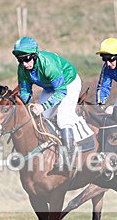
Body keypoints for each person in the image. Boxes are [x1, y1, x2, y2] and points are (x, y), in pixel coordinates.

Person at [13, 36, 84, 171]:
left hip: (68, 83)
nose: (24, 64)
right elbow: (25, 91)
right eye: (20, 60)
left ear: (34, 56)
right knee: (41, 119)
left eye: (26, 59)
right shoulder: (22, 69)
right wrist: (28, 104)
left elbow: (61, 91)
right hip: (50, 87)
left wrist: (43, 106)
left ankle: (69, 157)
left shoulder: (48, 64)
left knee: (63, 118)